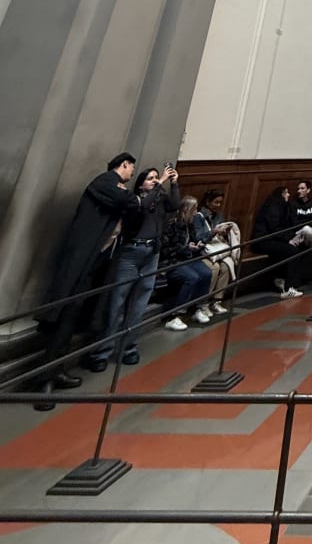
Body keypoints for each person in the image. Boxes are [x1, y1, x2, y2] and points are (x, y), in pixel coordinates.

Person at [33, 152, 142, 409]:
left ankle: (58, 369)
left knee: (74, 318)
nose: (131, 174)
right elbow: (129, 201)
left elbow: (133, 208)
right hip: (79, 263)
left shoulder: (114, 186)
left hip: (95, 264)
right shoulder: (104, 181)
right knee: (63, 316)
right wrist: (132, 196)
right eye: (131, 169)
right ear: (123, 164)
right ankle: (44, 380)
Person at [83, 163, 179, 371]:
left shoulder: (160, 199)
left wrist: (174, 182)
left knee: (139, 304)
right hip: (130, 253)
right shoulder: (134, 200)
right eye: (150, 178)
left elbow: (175, 205)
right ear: (140, 184)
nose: (155, 180)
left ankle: (128, 348)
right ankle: (102, 351)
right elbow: (143, 208)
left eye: (156, 177)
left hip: (151, 252)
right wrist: (160, 182)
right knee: (116, 303)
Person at [160, 196, 213, 328]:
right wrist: (185, 248)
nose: (196, 212)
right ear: (185, 209)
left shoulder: (190, 224)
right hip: (171, 261)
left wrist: (198, 244)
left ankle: (199, 308)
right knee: (192, 277)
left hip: (187, 258)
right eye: (193, 209)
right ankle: (175, 315)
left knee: (206, 272)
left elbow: (193, 241)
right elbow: (165, 249)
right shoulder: (171, 224)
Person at [252, 186, 301, 297]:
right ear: (281, 194)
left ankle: (280, 280)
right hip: (262, 241)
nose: (289, 195)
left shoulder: (281, 206)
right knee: (292, 252)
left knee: (291, 250)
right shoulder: (273, 206)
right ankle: (289, 288)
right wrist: (289, 239)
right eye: (286, 192)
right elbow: (274, 228)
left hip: (271, 239)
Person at [191, 195, 236, 315]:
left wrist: (225, 232)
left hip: (216, 251)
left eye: (220, 202)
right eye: (215, 202)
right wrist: (213, 232)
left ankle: (216, 301)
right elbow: (198, 238)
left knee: (226, 267)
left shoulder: (219, 215)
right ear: (207, 201)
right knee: (214, 268)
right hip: (202, 252)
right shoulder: (199, 217)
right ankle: (202, 304)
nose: (218, 205)